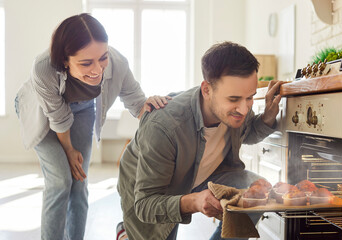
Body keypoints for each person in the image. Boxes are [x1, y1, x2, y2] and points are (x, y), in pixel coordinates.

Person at [14, 13, 170, 240]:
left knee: (79, 181)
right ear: (65, 61)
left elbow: (137, 103)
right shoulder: (43, 67)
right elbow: (57, 118)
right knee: (60, 181)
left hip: (82, 109)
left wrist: (150, 105)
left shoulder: (117, 62)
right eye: (86, 63)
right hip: (39, 111)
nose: (98, 69)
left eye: (102, 58)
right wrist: (68, 150)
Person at [117, 41, 283, 240]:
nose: (244, 109)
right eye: (233, 99)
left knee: (258, 192)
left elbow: (246, 132)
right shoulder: (164, 126)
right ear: (206, 90)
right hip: (152, 189)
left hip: (204, 174)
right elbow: (145, 205)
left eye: (250, 98)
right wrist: (193, 201)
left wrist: (267, 117)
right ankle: (126, 234)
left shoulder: (236, 106)